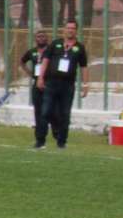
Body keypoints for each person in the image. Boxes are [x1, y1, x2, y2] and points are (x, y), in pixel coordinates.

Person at [36, 19, 88, 149]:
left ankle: (62, 142)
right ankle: (40, 141)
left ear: (76, 31)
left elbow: (84, 67)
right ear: (64, 30)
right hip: (51, 83)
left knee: (65, 113)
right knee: (45, 111)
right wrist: (40, 78)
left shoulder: (79, 48)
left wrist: (86, 85)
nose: (70, 30)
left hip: (68, 85)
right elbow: (46, 61)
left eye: (73, 28)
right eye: (68, 28)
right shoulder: (55, 44)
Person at [19, 28, 50, 142]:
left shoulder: (51, 51)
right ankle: (39, 136)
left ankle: (48, 128)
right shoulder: (32, 52)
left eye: (43, 36)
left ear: (47, 38)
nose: (41, 38)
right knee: (38, 110)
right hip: (37, 83)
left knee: (48, 109)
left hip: (49, 83)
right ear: (35, 39)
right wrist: (30, 73)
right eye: (39, 36)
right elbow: (22, 61)